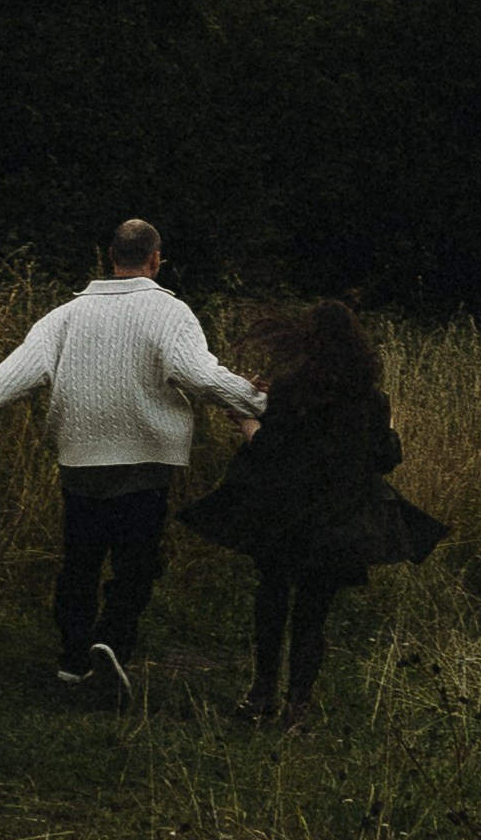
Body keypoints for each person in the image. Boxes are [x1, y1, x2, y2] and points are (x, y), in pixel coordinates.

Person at [0, 218, 266, 694]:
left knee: (80, 561)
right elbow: (202, 377)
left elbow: (16, 370)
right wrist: (261, 404)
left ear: (110, 257)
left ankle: (74, 657)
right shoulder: (170, 313)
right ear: (155, 259)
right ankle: (113, 642)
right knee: (135, 563)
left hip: (81, 463)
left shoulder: (63, 317)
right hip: (145, 462)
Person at [178, 299, 446, 723]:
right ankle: (297, 704)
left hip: (283, 518)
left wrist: (247, 424)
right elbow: (385, 457)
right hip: (337, 522)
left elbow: (273, 450)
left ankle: (261, 694)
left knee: (271, 601)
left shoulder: (291, 392)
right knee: (313, 614)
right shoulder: (371, 400)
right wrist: (388, 429)